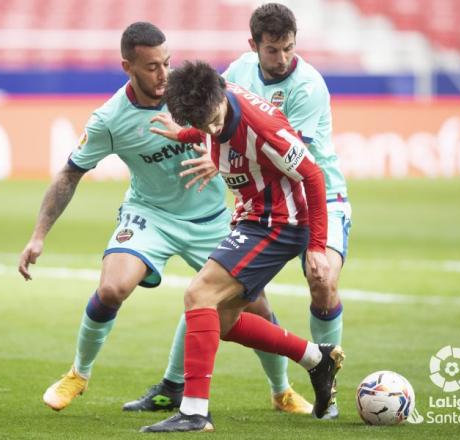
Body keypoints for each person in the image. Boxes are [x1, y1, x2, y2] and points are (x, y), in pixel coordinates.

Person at [17, 22, 298, 414]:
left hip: (213, 216)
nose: (164, 74)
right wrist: (38, 235)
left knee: (256, 308)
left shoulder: (193, 91)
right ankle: (78, 375)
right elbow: (70, 172)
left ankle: (281, 390)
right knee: (113, 287)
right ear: (127, 66)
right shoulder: (110, 119)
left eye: (167, 63)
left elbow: (243, 126)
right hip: (151, 215)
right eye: (152, 67)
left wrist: (219, 161)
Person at [127, 2, 350, 419]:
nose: (210, 132)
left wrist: (317, 245)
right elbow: (214, 124)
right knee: (225, 321)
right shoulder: (223, 90)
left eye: (212, 122)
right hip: (259, 208)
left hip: (283, 216)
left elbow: (311, 175)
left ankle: (194, 412)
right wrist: (192, 131)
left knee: (202, 293)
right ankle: (316, 360)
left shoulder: (272, 126)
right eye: (202, 126)